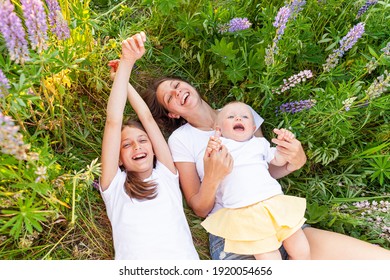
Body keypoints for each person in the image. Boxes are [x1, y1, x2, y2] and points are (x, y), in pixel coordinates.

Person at [141, 71, 390, 260]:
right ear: (172, 113)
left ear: (189, 84)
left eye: (176, 86)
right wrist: (213, 178)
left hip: (277, 216)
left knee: (378, 261)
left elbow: (264, 170)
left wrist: (294, 161)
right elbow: (199, 208)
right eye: (169, 98)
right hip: (234, 232)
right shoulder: (181, 139)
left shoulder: (240, 113)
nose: (177, 93)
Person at [100, 32, 199, 260]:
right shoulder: (114, 186)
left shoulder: (166, 173)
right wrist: (125, 63)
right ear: (118, 158)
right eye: (127, 145)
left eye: (143, 140)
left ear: (154, 147)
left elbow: (147, 117)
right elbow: (113, 121)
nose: (137, 147)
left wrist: (122, 78)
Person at [201, 101, 310, 260]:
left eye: (245, 116)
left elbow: (278, 160)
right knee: (268, 257)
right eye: (231, 116)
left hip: (274, 203)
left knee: (302, 250)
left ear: (252, 128)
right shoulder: (221, 147)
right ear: (219, 129)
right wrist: (212, 146)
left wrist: (283, 146)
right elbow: (211, 166)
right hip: (244, 211)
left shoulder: (260, 144)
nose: (238, 118)